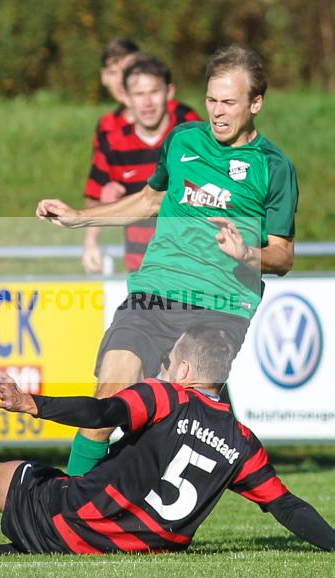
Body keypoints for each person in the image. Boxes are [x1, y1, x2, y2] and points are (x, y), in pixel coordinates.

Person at [0, 326, 335, 557]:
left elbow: (104, 411)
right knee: (61, 486)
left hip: (79, 526)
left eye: (169, 359)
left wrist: (33, 403)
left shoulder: (168, 396)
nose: (162, 366)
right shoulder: (242, 441)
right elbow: (288, 507)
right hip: (144, 546)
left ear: (185, 367)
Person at [37, 44, 299, 476]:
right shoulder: (183, 141)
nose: (216, 112)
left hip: (217, 306)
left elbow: (283, 254)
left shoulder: (273, 167)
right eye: (212, 100)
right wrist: (79, 218)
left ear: (256, 103)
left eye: (229, 103)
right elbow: (150, 199)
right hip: (154, 291)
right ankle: (68, 511)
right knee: (109, 396)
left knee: (183, 429)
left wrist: (248, 253)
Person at [83, 40, 200, 274]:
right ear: (127, 97)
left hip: (192, 267)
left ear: (169, 92)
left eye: (154, 92)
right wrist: (91, 240)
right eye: (139, 94)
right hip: (142, 268)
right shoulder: (112, 137)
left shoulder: (190, 130)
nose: (147, 102)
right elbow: (98, 195)